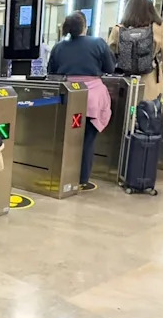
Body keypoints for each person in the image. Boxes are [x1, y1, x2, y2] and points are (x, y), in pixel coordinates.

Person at [48, 11, 114, 186]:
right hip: (92, 98)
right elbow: (110, 67)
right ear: (85, 26)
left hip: (67, 96)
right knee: (87, 140)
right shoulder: (98, 43)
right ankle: (82, 178)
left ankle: (62, 175)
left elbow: (51, 71)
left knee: (66, 137)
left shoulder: (58, 47)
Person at [107, 0, 163, 104]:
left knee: (125, 116)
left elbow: (109, 56)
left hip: (125, 83)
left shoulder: (118, 29)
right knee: (149, 116)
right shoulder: (159, 27)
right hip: (150, 83)